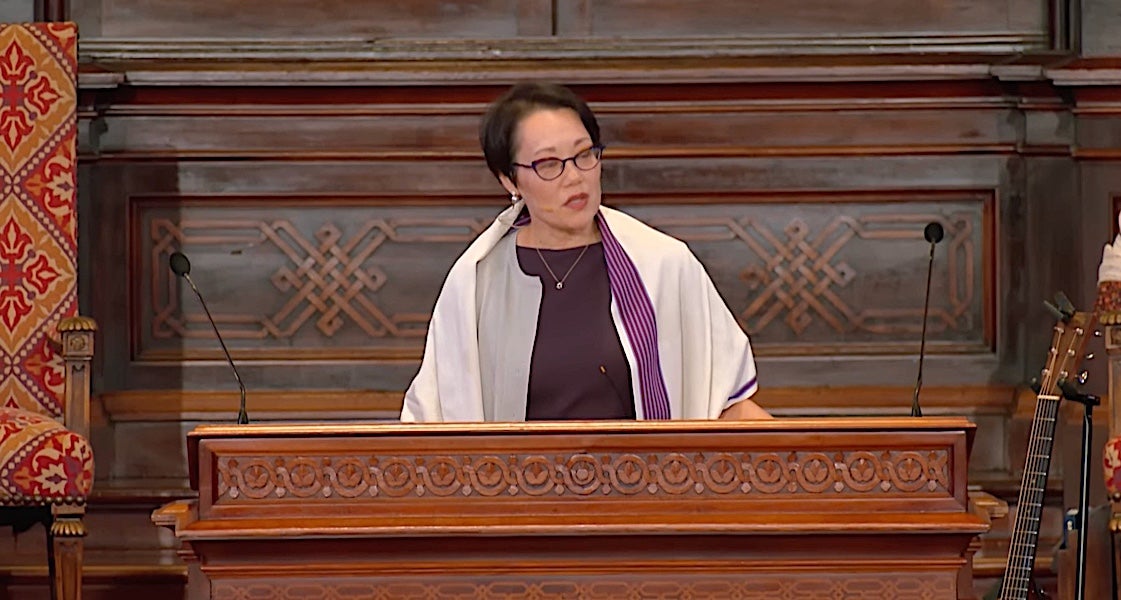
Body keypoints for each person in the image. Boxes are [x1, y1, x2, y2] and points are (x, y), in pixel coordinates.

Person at [401, 82, 771, 422]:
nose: (574, 176)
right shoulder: (474, 284)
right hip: (517, 491)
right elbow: (433, 422)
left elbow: (729, 408)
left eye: (584, 155)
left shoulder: (663, 266)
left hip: (640, 488)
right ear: (509, 179)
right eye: (548, 164)